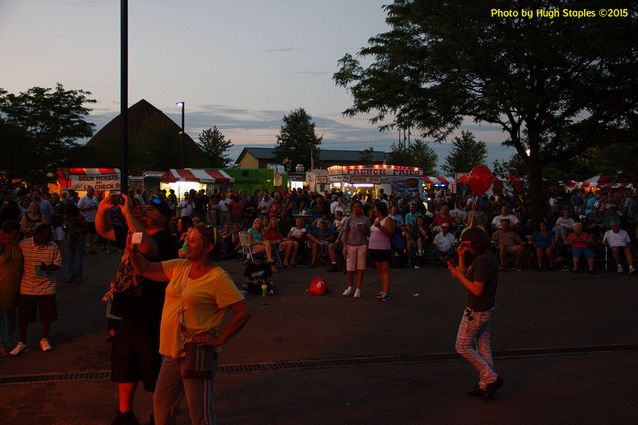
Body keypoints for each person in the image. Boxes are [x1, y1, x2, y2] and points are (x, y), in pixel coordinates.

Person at [127, 223, 251, 425]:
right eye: (186, 239)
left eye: (192, 240)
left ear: (208, 247)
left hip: (196, 352)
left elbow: (243, 312)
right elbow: (146, 268)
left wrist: (219, 339)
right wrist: (132, 253)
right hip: (171, 351)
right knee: (162, 404)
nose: (186, 243)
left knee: (200, 414)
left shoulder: (218, 278)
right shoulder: (179, 267)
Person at [96, 194, 178, 425]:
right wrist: (103, 209)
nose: (147, 211)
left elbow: (146, 247)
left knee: (154, 372)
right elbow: (104, 231)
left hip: (150, 316)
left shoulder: (164, 240)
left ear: (164, 218)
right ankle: (125, 415)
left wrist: (129, 214)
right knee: (124, 367)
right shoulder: (134, 230)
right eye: (146, 208)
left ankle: (159, 416)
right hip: (126, 313)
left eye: (152, 209)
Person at [447, 226, 504, 400]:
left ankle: (491, 378)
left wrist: (459, 277)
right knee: (483, 345)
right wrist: (461, 257)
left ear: (474, 243)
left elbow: (477, 289)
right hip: (485, 308)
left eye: (466, 243)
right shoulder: (482, 257)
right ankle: (485, 383)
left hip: (477, 309)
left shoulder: (483, 261)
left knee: (462, 346)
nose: (464, 245)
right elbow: (467, 276)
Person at [11, 224, 62, 355]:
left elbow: (57, 264)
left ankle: (44, 339)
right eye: (47, 237)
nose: (49, 240)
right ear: (38, 236)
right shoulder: (24, 245)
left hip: (47, 287)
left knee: (46, 316)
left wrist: (48, 268)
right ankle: (22, 342)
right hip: (27, 288)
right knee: (23, 317)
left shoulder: (53, 246)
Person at [0, 220, 22, 355]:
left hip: (12, 284)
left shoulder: (15, 243)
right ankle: (4, 343)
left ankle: (8, 341)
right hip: (3, 284)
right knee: (5, 316)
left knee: (9, 315)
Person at [341, 200, 370, 298]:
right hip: (350, 245)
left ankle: (358, 289)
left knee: (361, 267)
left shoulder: (366, 219)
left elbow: (369, 234)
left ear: (361, 208)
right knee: (350, 267)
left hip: (362, 244)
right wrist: (344, 247)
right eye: (354, 206)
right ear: (352, 208)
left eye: (358, 206)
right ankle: (350, 287)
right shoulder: (349, 219)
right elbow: (345, 234)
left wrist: (363, 230)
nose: (356, 208)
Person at [369, 202, 394, 302]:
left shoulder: (388, 220)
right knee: (380, 270)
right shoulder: (376, 219)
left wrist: (379, 226)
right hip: (374, 248)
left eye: (375, 208)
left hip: (383, 248)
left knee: (384, 270)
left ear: (379, 209)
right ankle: (383, 289)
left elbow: (389, 233)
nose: (373, 210)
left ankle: (386, 292)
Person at [63, 204, 88, 283]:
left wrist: (79, 231)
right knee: (74, 258)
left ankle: (75, 276)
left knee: (75, 259)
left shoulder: (79, 217)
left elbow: (86, 227)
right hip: (73, 238)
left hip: (76, 238)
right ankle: (74, 276)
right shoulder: (68, 217)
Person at [77, 186, 100, 254]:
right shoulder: (83, 199)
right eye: (90, 190)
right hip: (86, 220)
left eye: (92, 191)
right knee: (85, 235)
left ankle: (91, 249)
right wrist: (88, 208)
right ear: (87, 191)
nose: (91, 192)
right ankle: (84, 249)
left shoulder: (94, 198)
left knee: (93, 235)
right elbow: (78, 208)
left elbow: (96, 206)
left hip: (94, 219)